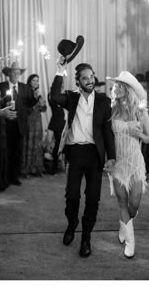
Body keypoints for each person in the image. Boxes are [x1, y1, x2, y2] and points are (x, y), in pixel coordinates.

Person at [51, 56, 116, 258]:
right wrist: (60, 70)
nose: (90, 80)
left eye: (91, 76)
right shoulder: (71, 97)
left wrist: (111, 157)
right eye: (85, 78)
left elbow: (108, 131)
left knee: (93, 198)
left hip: (95, 154)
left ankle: (86, 236)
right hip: (76, 152)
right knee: (72, 195)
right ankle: (72, 224)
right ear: (78, 81)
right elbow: (54, 96)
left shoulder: (104, 101)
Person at [106, 71, 149, 258]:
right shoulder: (111, 109)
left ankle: (125, 224)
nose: (115, 88)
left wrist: (138, 133)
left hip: (135, 162)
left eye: (119, 85)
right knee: (122, 201)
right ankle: (130, 242)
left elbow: (147, 139)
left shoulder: (140, 111)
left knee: (134, 203)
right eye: (115, 85)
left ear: (127, 89)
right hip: (118, 162)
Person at [0, 62, 39, 186]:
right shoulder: (1, 86)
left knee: (17, 151)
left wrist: (35, 97)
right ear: (8, 74)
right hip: (5, 123)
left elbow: (29, 104)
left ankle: (14, 177)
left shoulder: (25, 87)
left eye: (18, 73)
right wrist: (3, 106)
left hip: (20, 125)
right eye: (13, 72)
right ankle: (4, 177)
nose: (16, 74)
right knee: (5, 150)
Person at [21, 74, 47, 177]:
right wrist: (35, 100)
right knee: (28, 143)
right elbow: (25, 108)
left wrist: (42, 104)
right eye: (33, 80)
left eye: (37, 80)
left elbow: (44, 109)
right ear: (29, 82)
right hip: (29, 120)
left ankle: (36, 168)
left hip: (38, 122)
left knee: (37, 144)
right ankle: (25, 169)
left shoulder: (39, 94)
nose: (36, 82)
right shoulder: (26, 93)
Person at [47, 85, 66, 175]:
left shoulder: (63, 97)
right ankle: (52, 167)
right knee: (53, 144)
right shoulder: (52, 96)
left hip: (63, 123)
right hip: (55, 123)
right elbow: (53, 102)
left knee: (60, 144)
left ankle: (59, 166)